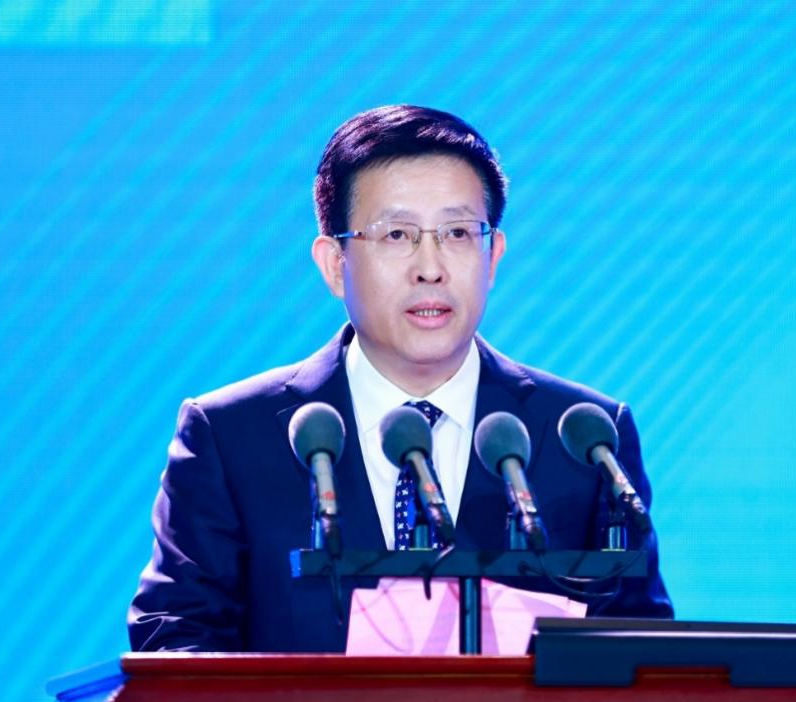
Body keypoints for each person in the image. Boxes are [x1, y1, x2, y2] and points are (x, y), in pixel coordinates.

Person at [128, 105, 673, 652]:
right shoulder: (232, 437)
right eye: (396, 235)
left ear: (493, 257)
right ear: (335, 264)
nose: (430, 268)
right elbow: (173, 645)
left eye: (458, 232)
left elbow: (640, 653)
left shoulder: (586, 439)